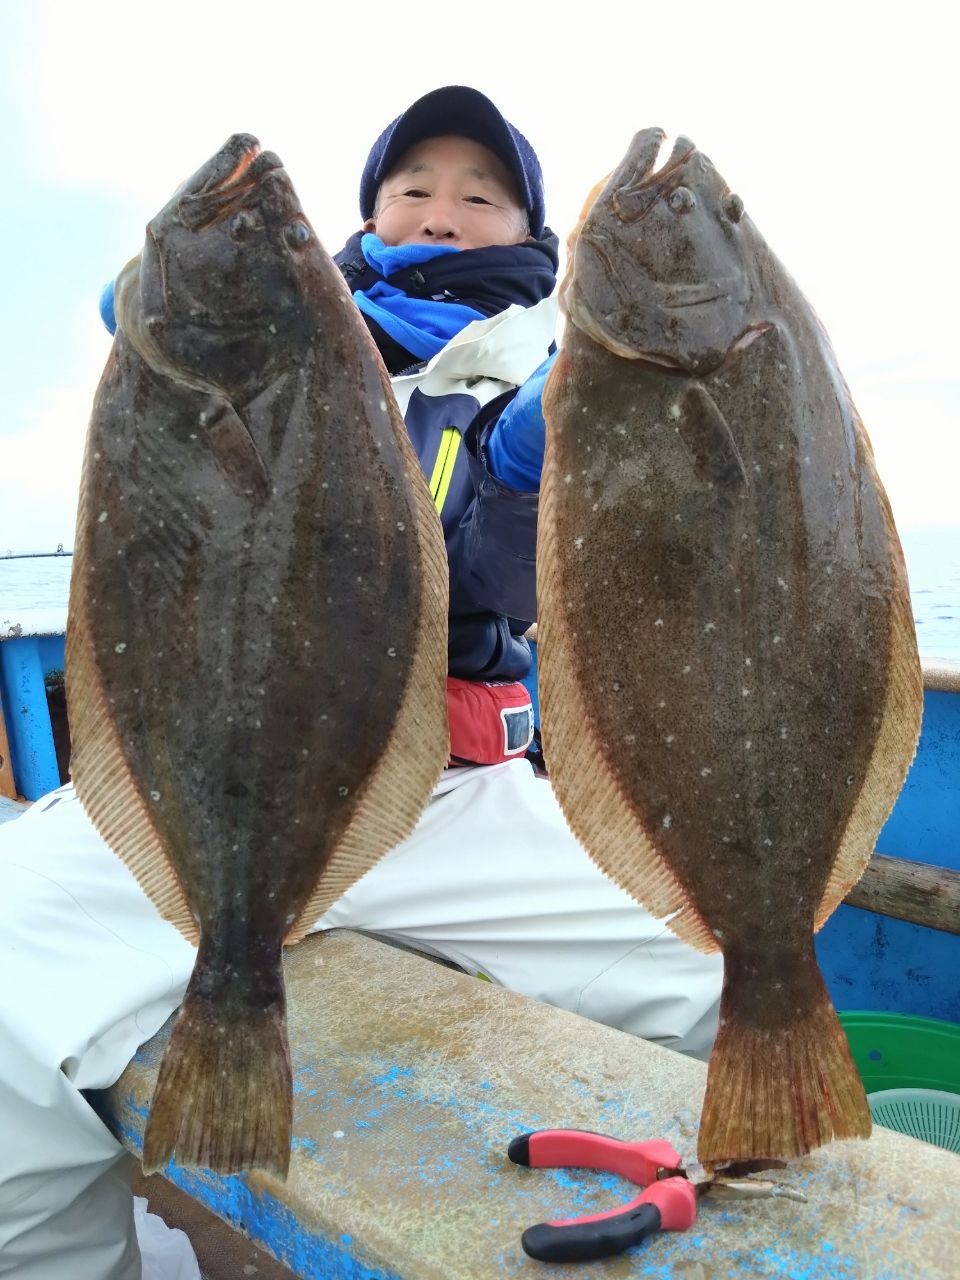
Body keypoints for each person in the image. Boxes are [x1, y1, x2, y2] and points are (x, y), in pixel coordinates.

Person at [0, 87, 723, 1279]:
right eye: (412, 188)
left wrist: (534, 463)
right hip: (210, 785)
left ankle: (657, 1211)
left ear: (530, 232)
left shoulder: (563, 369)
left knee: (708, 964)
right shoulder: (256, 342)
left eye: (480, 195)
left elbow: (501, 574)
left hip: (449, 799)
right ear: (369, 215)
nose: (442, 211)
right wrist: (174, 336)